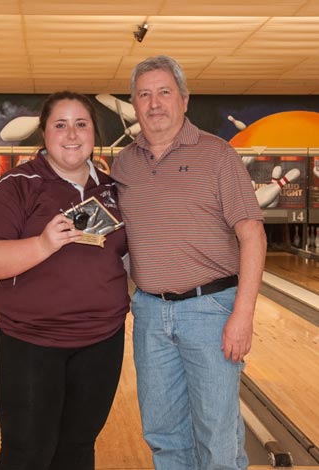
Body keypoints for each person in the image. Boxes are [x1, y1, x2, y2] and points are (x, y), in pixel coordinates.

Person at [111, 56, 267, 470]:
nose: (154, 103)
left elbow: (253, 235)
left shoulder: (218, 155)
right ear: (134, 104)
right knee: (163, 434)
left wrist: (243, 315)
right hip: (148, 311)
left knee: (217, 435)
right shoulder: (123, 163)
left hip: (210, 310)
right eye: (144, 95)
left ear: (184, 99)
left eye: (164, 92)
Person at [0, 91, 130, 470]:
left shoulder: (112, 189)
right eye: (60, 124)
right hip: (31, 342)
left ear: (93, 132)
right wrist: (42, 244)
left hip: (101, 342)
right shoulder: (16, 186)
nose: (71, 134)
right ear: (44, 133)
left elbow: (124, 255)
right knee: (27, 452)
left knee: (78, 448)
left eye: (81, 124)